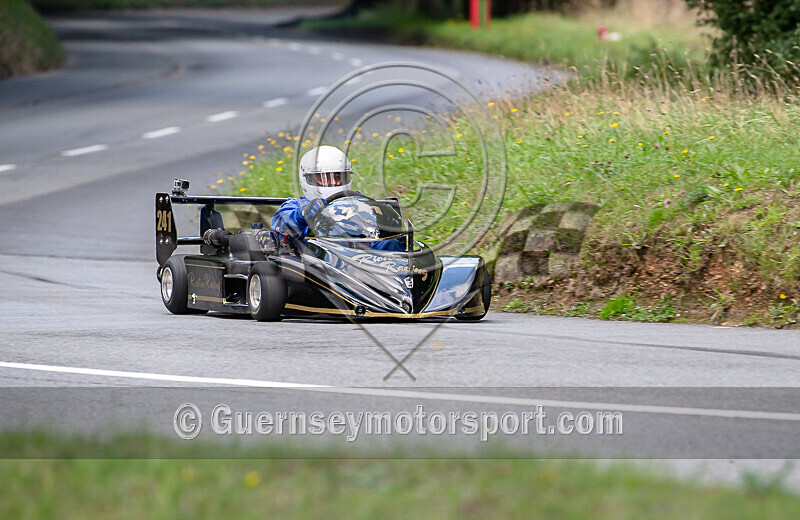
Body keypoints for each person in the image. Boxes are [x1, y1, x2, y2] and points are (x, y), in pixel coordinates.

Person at [272, 146, 404, 251]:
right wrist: (302, 214)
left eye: (337, 177)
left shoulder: (359, 201)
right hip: (320, 260)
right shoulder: (297, 205)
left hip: (365, 256)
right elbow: (280, 225)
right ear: (308, 179)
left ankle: (404, 279)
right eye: (324, 178)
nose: (334, 183)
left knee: (391, 242)